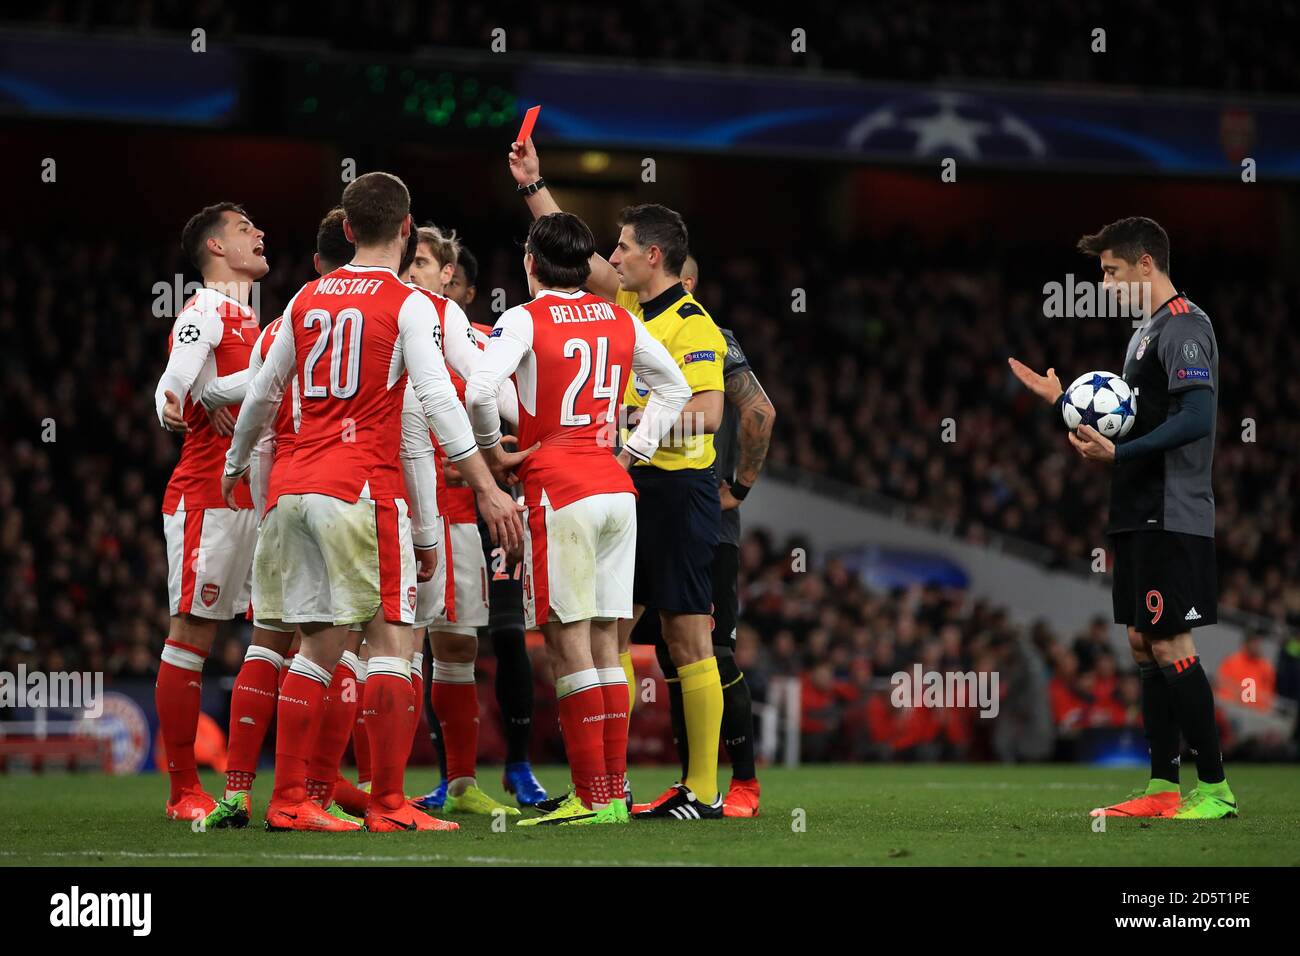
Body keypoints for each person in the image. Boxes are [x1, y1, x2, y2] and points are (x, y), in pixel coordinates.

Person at [221, 171, 525, 832]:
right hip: (362, 490)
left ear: (349, 229)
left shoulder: (303, 299)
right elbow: (440, 403)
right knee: (391, 641)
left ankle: (289, 799)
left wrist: (235, 460)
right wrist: (485, 481)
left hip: (292, 493)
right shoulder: (409, 304)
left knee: (316, 646)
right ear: (408, 227)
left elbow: (264, 394)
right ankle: (388, 801)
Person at [465, 212, 690, 825]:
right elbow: (674, 390)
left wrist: (494, 453)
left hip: (558, 489)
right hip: (616, 491)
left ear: (531, 263)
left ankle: (593, 798)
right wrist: (631, 452)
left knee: (569, 647)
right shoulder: (619, 318)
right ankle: (611, 796)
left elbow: (480, 390)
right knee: (603, 646)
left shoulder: (523, 318)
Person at [1010, 216, 1235, 820]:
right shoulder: (1144, 334)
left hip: (1172, 507)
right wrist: (1062, 403)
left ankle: (1213, 788)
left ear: (1144, 265)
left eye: (1111, 272)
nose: (1106, 284)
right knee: (1142, 640)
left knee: (1169, 639)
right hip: (1136, 506)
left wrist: (1124, 453)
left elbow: (1197, 416)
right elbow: (1137, 418)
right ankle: (1163, 788)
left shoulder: (1185, 325)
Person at [152, 202, 267, 821]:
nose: (260, 234)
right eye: (245, 229)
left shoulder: (254, 322)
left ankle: (299, 784)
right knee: (194, 636)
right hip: (210, 500)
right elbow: (174, 377)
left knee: (284, 633)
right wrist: (175, 397)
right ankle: (181, 790)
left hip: (262, 497)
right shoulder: (205, 310)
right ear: (217, 250)